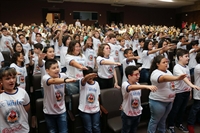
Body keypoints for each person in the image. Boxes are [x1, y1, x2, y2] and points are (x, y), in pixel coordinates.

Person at [147, 55, 186, 133]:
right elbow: (163, 78)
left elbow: (171, 85)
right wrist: (177, 78)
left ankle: (162, 131)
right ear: (158, 64)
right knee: (155, 120)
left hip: (168, 101)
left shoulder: (168, 71)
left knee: (163, 119)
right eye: (163, 62)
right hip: (158, 101)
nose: (166, 64)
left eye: (167, 62)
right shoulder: (155, 72)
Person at [167, 49, 200, 133]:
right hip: (179, 92)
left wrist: (190, 91)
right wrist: (192, 85)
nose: (188, 58)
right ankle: (170, 125)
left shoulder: (187, 67)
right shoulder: (177, 67)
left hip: (186, 91)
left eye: (188, 56)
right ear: (180, 57)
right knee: (175, 109)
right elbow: (183, 78)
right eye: (186, 56)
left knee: (182, 109)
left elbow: (188, 78)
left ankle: (179, 124)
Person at [42, 59, 76, 133]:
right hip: (49, 112)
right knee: (52, 131)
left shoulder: (63, 75)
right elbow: (53, 81)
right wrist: (65, 80)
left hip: (61, 111)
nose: (57, 69)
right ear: (47, 70)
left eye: (57, 67)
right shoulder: (45, 77)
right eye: (54, 68)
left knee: (64, 131)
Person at [121, 65, 157, 133]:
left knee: (134, 130)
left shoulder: (138, 84)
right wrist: (146, 86)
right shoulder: (125, 84)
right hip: (128, 114)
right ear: (129, 76)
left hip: (137, 113)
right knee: (126, 130)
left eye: (139, 74)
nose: (138, 76)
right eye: (136, 75)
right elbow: (130, 88)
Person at [0, 67, 30, 133]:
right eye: (8, 79)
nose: (12, 80)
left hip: (23, 130)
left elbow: (26, 109)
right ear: (1, 81)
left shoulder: (22, 92)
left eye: (13, 77)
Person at [78, 67, 101, 133]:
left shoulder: (96, 84)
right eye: (88, 75)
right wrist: (89, 75)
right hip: (85, 111)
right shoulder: (82, 82)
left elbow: (97, 96)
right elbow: (84, 79)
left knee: (96, 127)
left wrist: (99, 107)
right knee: (88, 129)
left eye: (91, 76)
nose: (90, 78)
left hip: (95, 110)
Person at [187, 52, 200, 133]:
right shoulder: (198, 67)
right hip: (198, 90)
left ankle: (198, 121)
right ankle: (190, 123)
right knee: (196, 108)